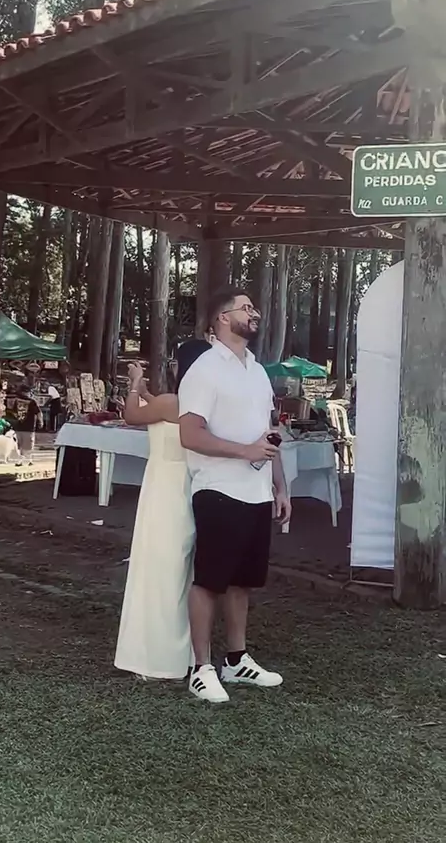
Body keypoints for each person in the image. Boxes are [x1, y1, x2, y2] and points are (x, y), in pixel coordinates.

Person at [178, 287, 291, 704]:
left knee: (243, 581)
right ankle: (201, 668)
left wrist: (281, 486)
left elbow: (268, 434)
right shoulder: (205, 369)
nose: (254, 312)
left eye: (254, 307)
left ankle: (236, 660)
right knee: (210, 580)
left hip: (257, 492)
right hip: (218, 489)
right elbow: (190, 434)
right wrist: (244, 452)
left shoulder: (257, 371)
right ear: (222, 318)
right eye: (245, 308)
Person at [114, 339, 211, 680]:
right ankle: (179, 652)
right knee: (179, 570)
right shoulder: (196, 404)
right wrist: (144, 390)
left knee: (157, 572)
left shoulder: (173, 402)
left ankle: (155, 657)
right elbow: (160, 410)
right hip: (187, 486)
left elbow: (131, 416)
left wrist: (133, 384)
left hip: (163, 489)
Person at [10, 386, 44, 466]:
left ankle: (24, 460)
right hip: (29, 427)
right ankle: (27, 460)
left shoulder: (17, 401)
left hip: (19, 426)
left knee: (20, 444)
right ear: (27, 392)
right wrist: (41, 421)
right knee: (28, 445)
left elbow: (14, 413)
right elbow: (38, 412)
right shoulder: (32, 402)